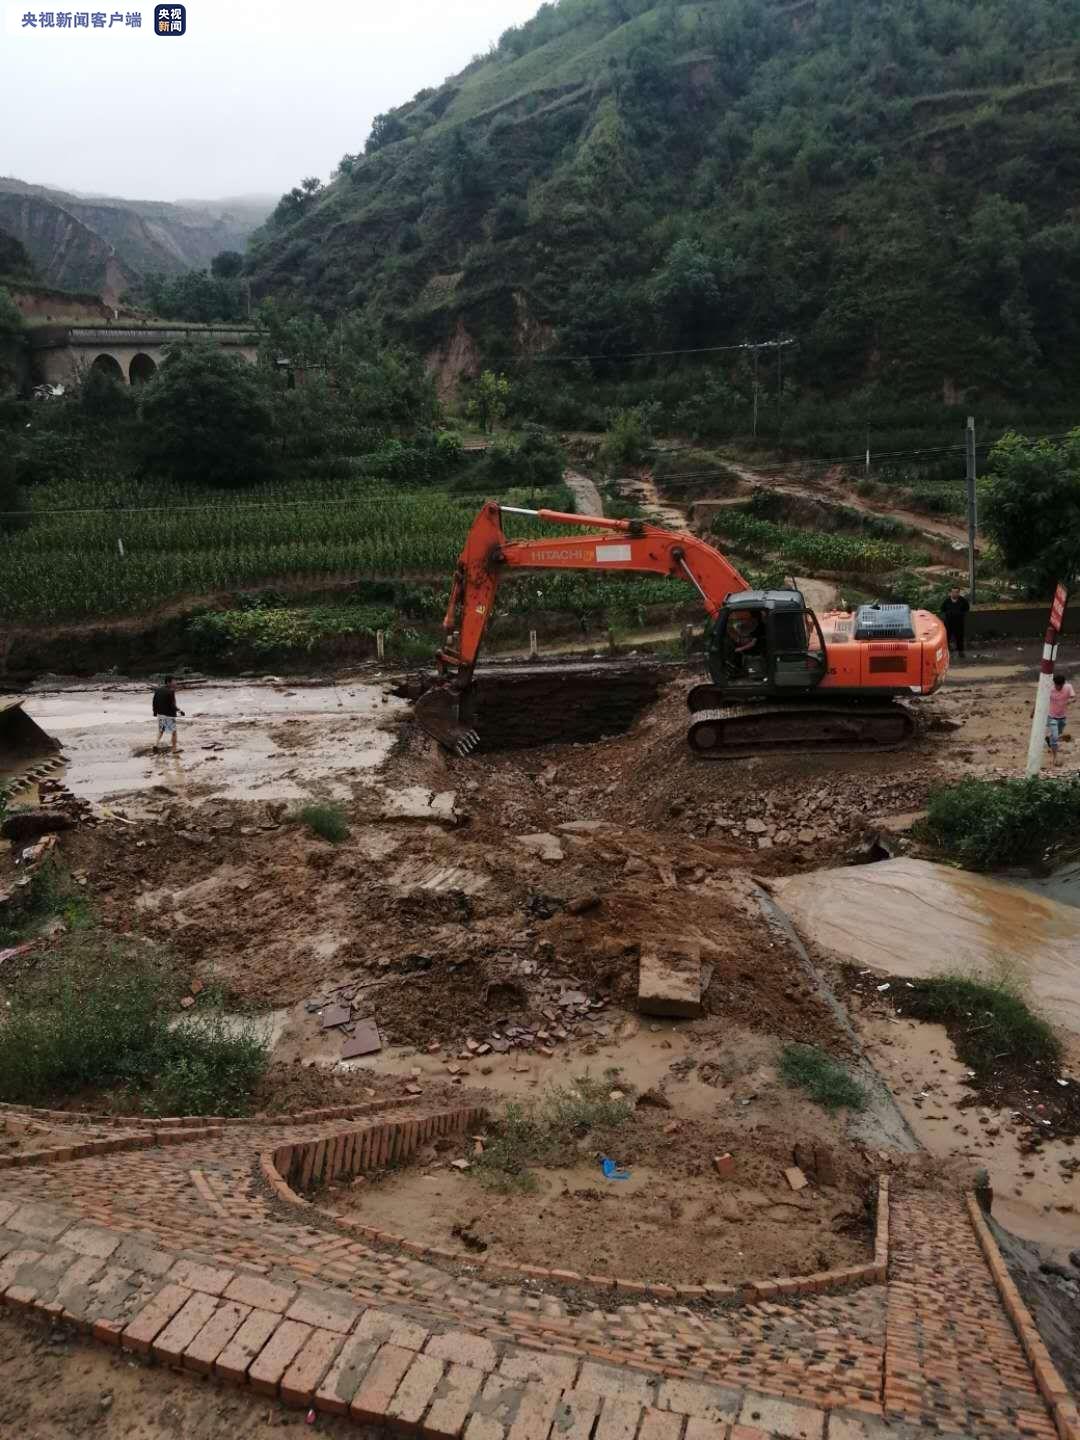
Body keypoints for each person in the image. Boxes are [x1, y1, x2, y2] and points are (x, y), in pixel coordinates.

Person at [1046, 672, 1076, 767]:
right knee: (1055, 738)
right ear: (1054, 684)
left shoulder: (1068, 687)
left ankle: (1049, 739)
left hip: (1062, 717)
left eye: (1060, 686)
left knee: (1057, 734)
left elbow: (1073, 697)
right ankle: (1055, 757)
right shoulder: (1050, 689)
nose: (1058, 688)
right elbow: (1041, 698)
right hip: (1051, 717)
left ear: (1063, 684)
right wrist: (1033, 711)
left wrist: (1069, 701)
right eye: (1056, 685)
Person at [152, 675, 185, 753]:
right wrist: (180, 711)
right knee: (174, 732)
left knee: (161, 730)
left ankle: (155, 745)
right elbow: (172, 705)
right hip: (169, 715)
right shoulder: (171, 691)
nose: (175, 682)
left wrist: (155, 712)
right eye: (174, 681)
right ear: (169, 682)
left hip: (160, 714)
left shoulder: (158, 690)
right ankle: (174, 749)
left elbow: (154, 702)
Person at [941, 586, 970, 659]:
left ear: (959, 593)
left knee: (959, 638)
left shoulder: (963, 601)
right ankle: (947, 652)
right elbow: (942, 609)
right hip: (948, 623)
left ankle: (961, 652)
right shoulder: (946, 601)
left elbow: (966, 608)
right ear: (950, 593)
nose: (955, 594)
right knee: (947, 638)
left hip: (959, 623)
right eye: (953, 592)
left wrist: (960, 614)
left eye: (956, 592)